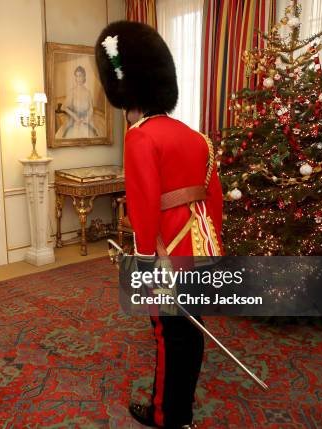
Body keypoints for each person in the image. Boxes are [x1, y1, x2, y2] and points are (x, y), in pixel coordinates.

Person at [95, 21, 224, 429]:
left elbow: (143, 205)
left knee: (169, 336)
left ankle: (168, 416)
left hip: (166, 255)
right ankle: (179, 407)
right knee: (192, 332)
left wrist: (145, 260)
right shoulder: (197, 137)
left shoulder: (141, 137)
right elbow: (214, 202)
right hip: (200, 251)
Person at [56, 65, 100, 139]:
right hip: (74, 120)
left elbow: (90, 109)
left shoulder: (88, 92)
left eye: (80, 76)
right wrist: (74, 116)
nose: (79, 78)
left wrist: (87, 118)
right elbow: (65, 107)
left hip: (86, 120)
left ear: (84, 77)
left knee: (93, 134)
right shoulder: (72, 92)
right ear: (75, 78)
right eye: (77, 76)